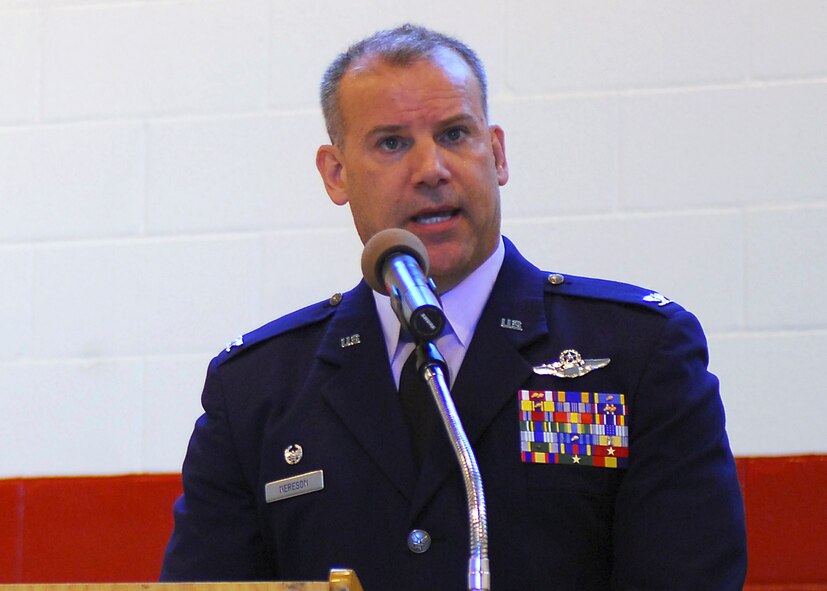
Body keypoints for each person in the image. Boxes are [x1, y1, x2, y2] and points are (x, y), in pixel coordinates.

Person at [160, 24, 747, 590]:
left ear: (497, 154)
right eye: (392, 143)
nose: (432, 170)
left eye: (455, 135)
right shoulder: (258, 389)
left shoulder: (637, 354)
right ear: (336, 174)